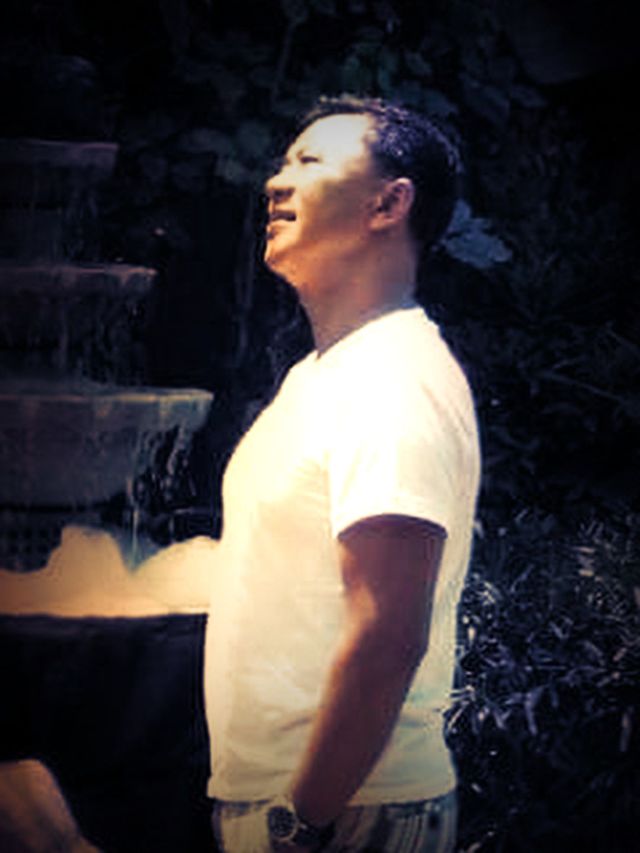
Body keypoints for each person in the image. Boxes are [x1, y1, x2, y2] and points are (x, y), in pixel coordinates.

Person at [205, 95, 481, 853]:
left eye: (309, 161)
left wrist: (301, 820)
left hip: (347, 811)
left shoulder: (391, 379)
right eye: (282, 162)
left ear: (388, 204)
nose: (275, 181)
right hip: (307, 803)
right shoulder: (324, 375)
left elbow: (387, 634)